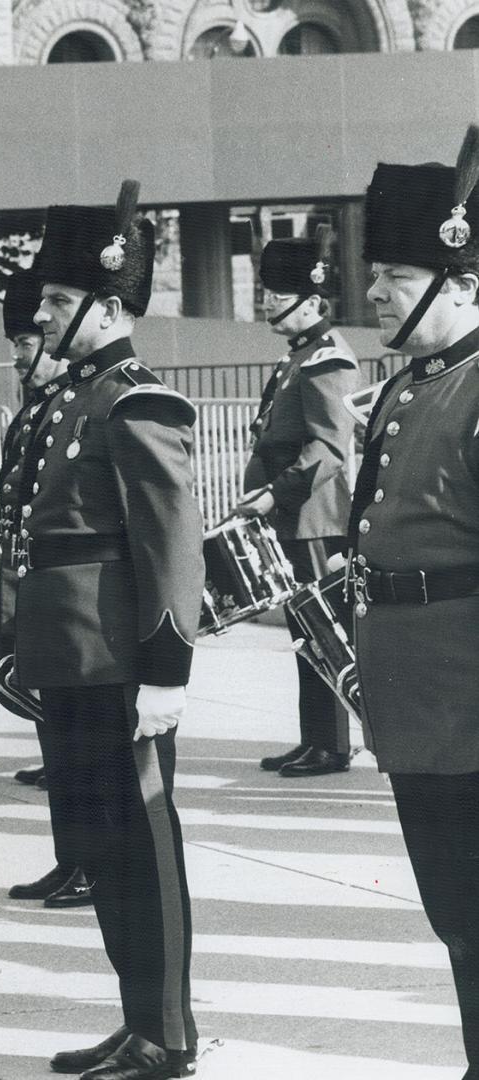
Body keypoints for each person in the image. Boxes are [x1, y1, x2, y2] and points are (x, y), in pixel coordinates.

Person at [18, 180, 204, 1080]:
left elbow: (169, 546)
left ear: (110, 304)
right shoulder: (79, 397)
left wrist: (167, 669)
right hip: (74, 662)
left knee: (143, 845)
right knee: (99, 842)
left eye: (59, 300)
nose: (45, 314)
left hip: (123, 666)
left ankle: (167, 1032)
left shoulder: (136, 402)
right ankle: (136, 1020)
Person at [350, 125, 479, 1079]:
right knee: (458, 916)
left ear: (461, 280)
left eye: (394, 275)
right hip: (418, 702)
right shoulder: (407, 389)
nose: (376, 295)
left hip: (472, 703)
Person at [0, 266, 93, 911]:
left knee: (73, 741)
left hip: (59, 595)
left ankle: (87, 862)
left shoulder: (66, 409)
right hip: (28, 586)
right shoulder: (35, 412)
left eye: (28, 342)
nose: (22, 354)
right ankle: (69, 857)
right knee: (53, 735)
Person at [239, 229, 358, 779]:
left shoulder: (326, 359)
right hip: (294, 516)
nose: (267, 303)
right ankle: (316, 738)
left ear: (312, 301)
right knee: (303, 635)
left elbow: (329, 448)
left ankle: (332, 745)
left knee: (320, 632)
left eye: (277, 294)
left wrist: (274, 494)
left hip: (312, 516)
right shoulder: (300, 356)